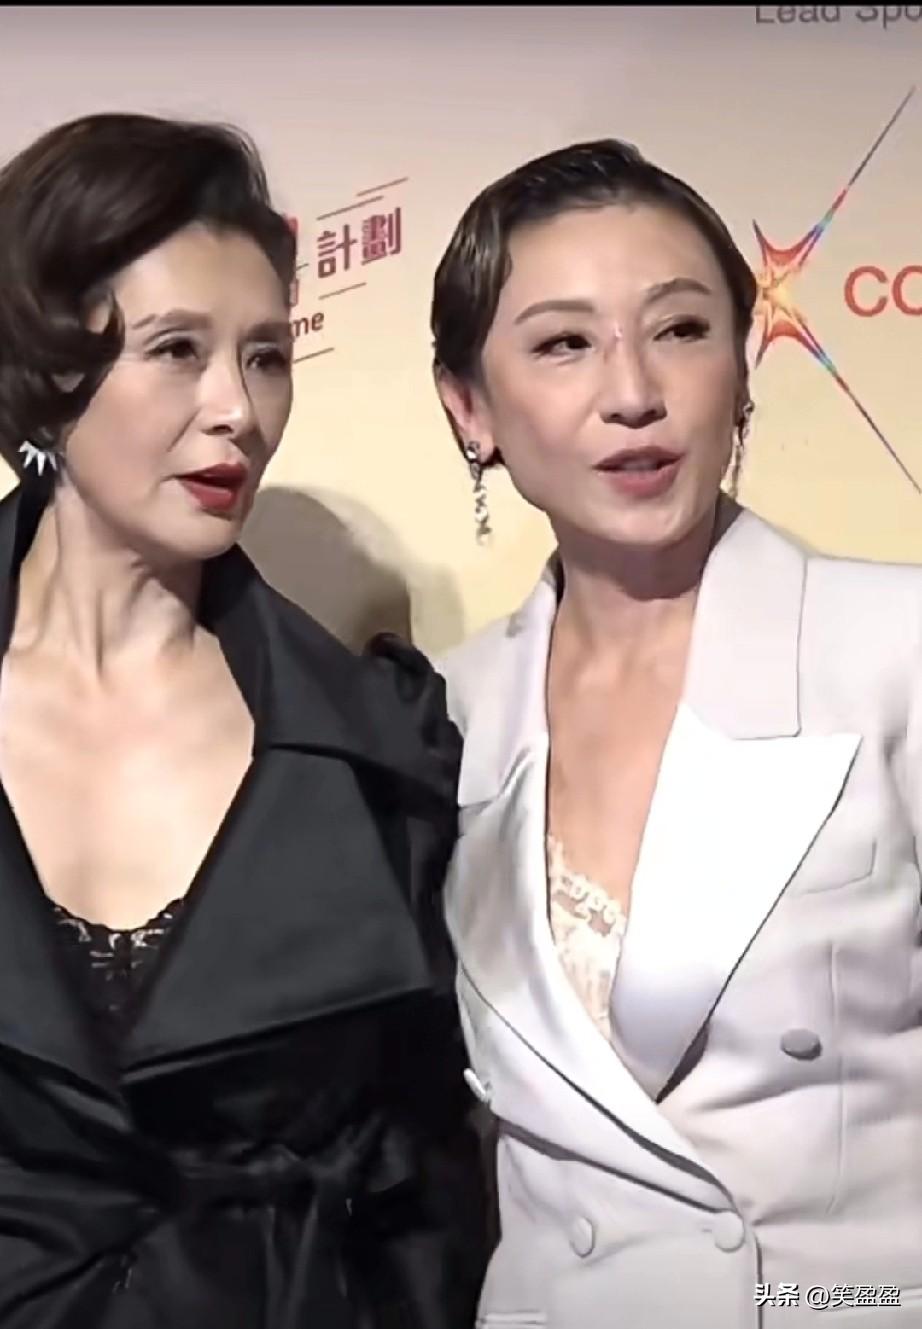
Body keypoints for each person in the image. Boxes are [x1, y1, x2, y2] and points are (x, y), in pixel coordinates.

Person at [0, 111, 486, 1328]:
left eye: (267, 356)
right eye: (177, 350)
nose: (238, 410)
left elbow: (424, 1185)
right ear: (50, 369)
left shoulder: (380, 743)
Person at [430, 137, 922, 1328]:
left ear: (743, 367)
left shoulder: (893, 648)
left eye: (681, 328)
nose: (633, 391)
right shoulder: (438, 713)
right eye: (563, 344)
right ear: (470, 408)